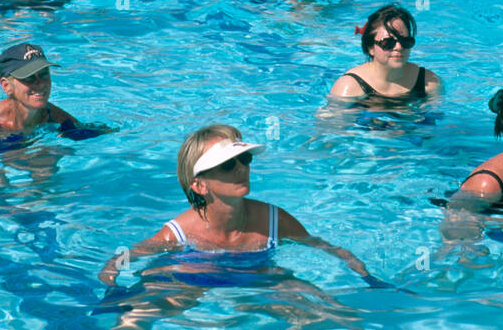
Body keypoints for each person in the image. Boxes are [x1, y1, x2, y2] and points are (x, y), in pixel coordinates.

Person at [97, 122, 377, 292]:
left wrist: (367, 276)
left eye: (245, 160)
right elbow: (134, 251)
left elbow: (322, 246)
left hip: (256, 276)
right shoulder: (180, 232)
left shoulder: (272, 220)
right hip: (194, 273)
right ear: (199, 185)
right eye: (228, 165)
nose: (242, 168)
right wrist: (112, 269)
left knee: (329, 310)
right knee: (135, 316)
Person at [328, 4, 441, 103]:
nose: (399, 47)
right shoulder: (350, 87)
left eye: (405, 41)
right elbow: (329, 125)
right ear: (370, 48)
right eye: (388, 42)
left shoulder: (428, 82)